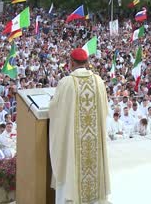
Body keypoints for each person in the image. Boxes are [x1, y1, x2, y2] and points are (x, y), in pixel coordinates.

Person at [49, 48, 111, 204]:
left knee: (70, 164)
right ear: (88, 63)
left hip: (73, 143)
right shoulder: (99, 81)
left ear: (71, 63)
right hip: (94, 142)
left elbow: (54, 110)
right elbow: (105, 109)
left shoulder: (66, 83)